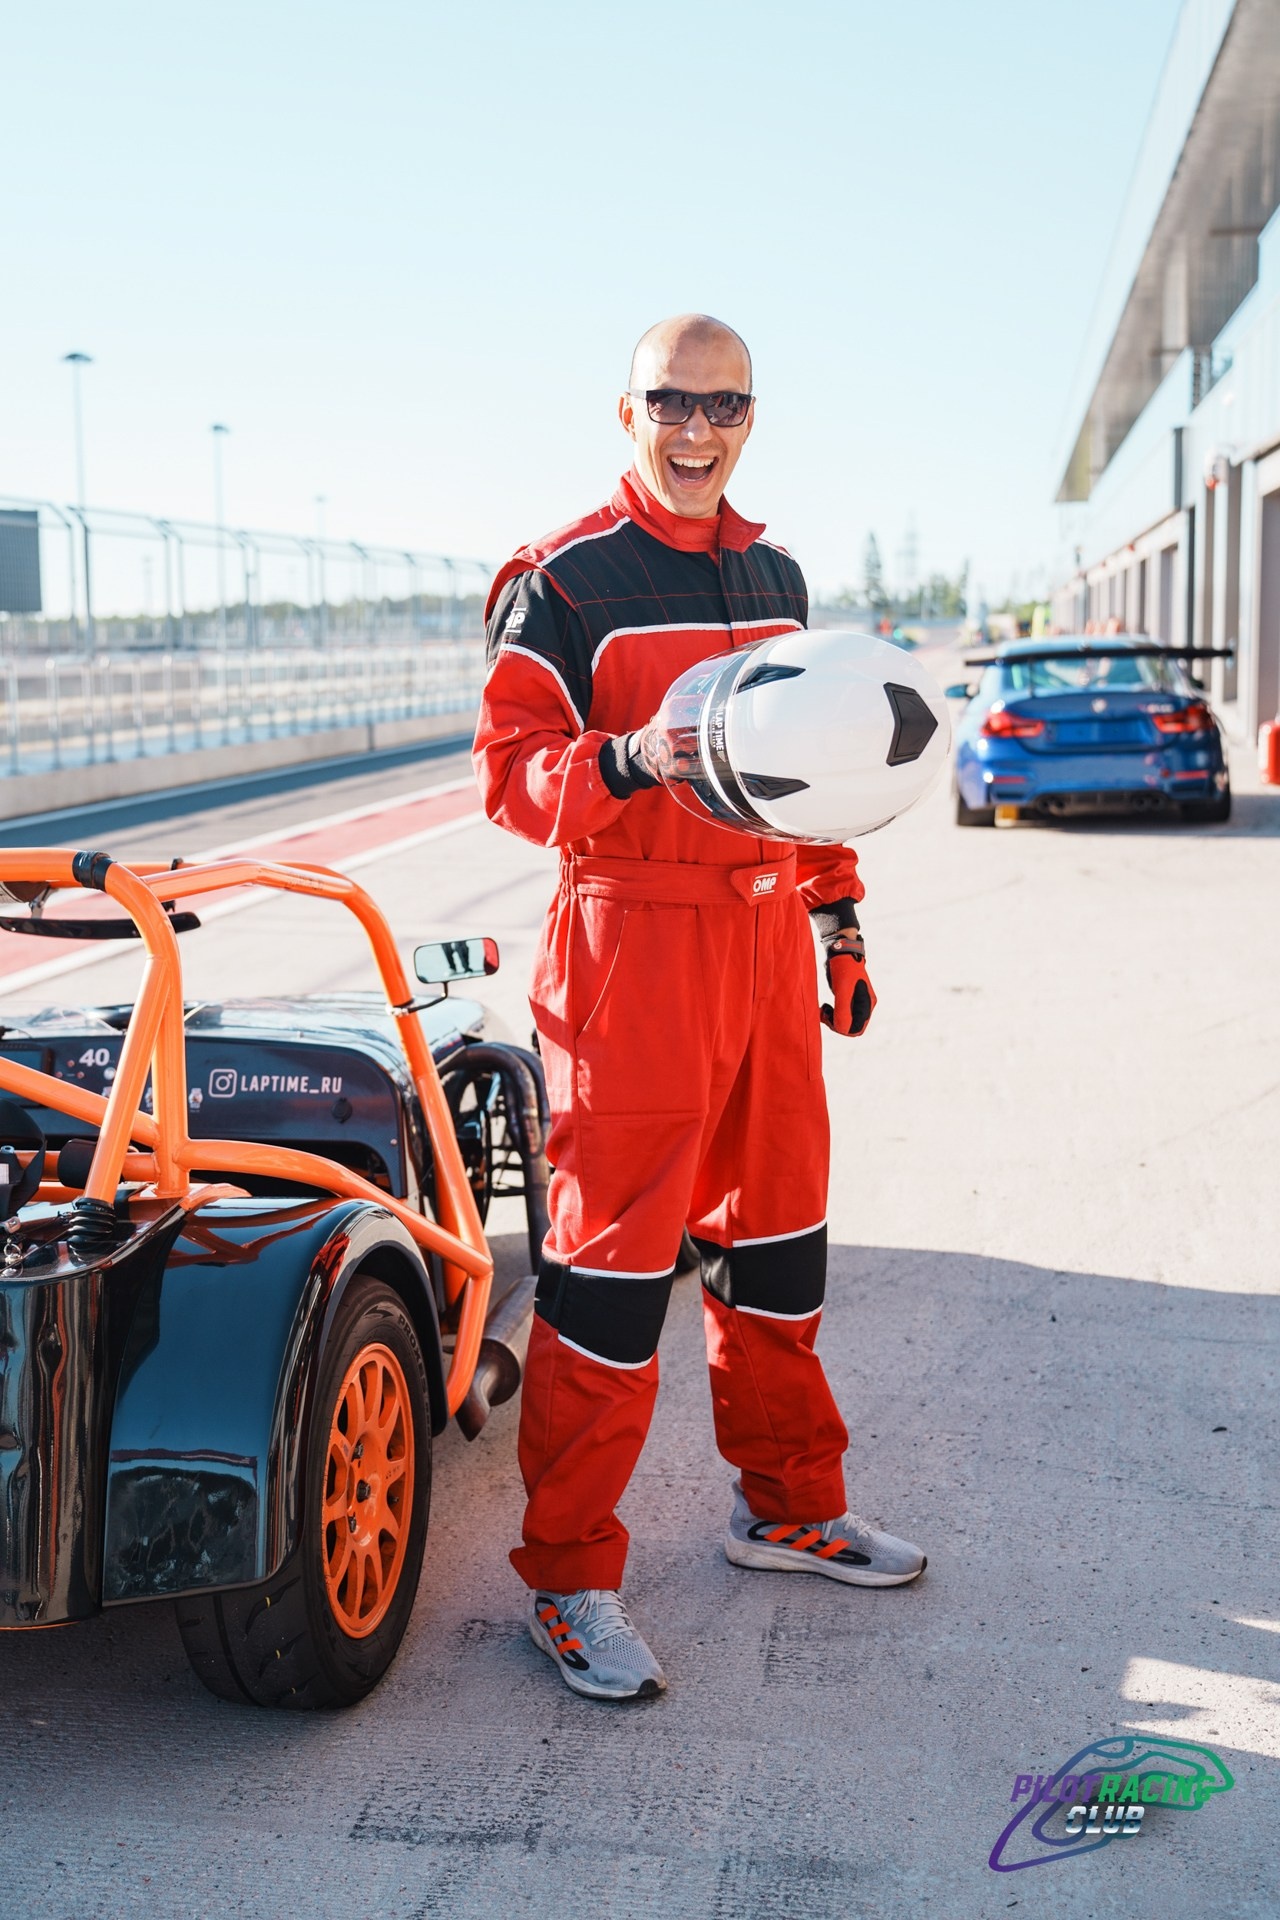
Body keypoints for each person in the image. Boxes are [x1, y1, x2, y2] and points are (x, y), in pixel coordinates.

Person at [473, 313, 925, 1703]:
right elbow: (510, 777)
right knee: (610, 1281)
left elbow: (821, 767)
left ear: (749, 420)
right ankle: (567, 1578)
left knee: (779, 1247)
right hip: (632, 952)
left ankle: (788, 1506)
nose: (696, 429)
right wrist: (628, 758)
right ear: (629, 413)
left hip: (765, 943)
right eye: (671, 400)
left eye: (723, 405)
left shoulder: (777, 576)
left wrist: (836, 918)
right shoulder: (561, 581)